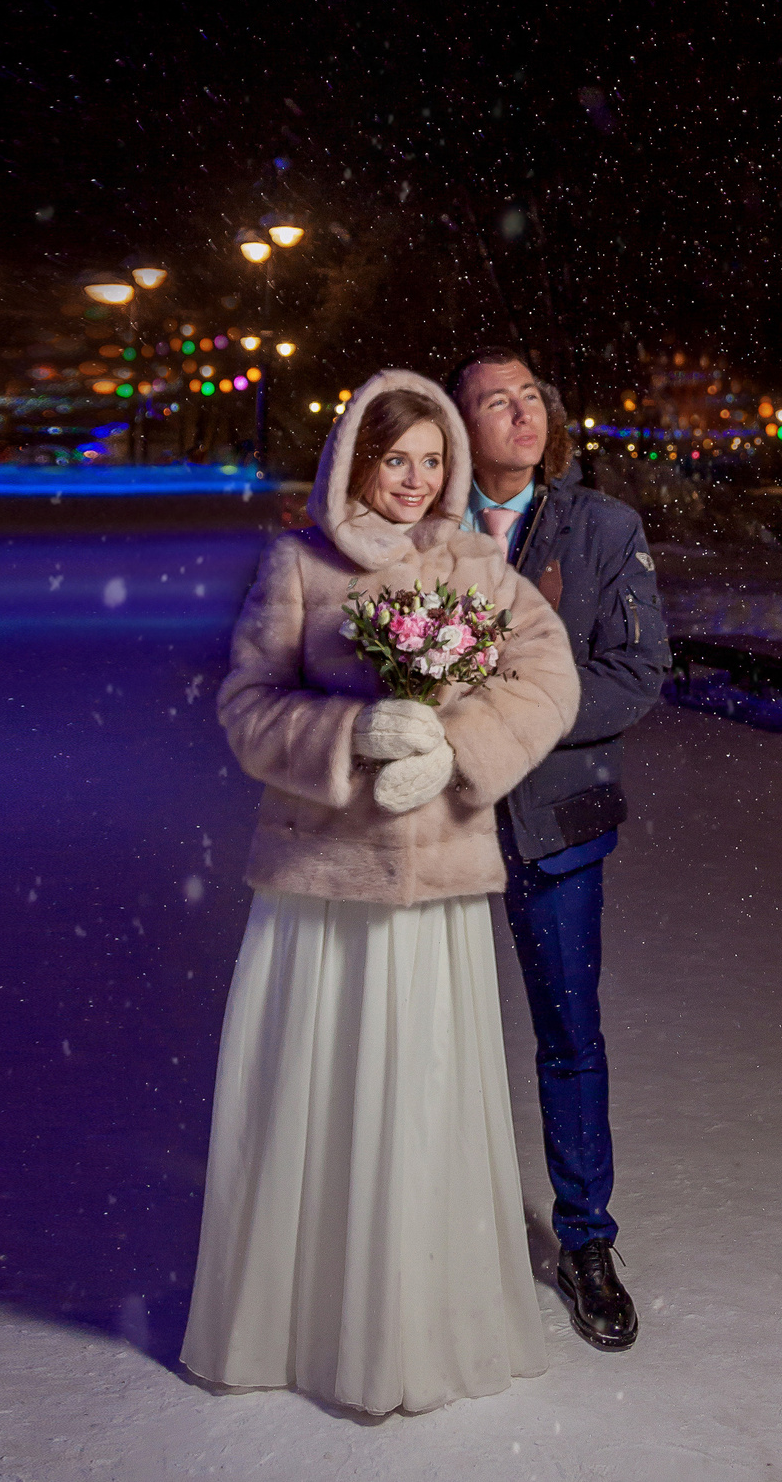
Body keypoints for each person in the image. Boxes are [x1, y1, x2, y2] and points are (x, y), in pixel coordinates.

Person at [183, 370, 581, 1416]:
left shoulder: (477, 564)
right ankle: (307, 1319)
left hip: (441, 878)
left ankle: (420, 1313)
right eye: (394, 458)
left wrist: (453, 743)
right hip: (324, 880)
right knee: (321, 1084)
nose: (414, 480)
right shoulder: (298, 563)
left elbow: (548, 678)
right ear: (357, 459)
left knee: (425, 1087)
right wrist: (350, 734)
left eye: (432, 460)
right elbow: (246, 706)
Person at [449, 346, 673, 1353]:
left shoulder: (601, 526)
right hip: (435, 823)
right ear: (459, 426)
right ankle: (427, 1231)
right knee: (423, 1032)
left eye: (529, 394)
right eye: (493, 400)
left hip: (555, 822)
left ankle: (586, 1240)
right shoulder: (415, 531)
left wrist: (514, 720)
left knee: (568, 1035)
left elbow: (637, 671)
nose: (518, 411)